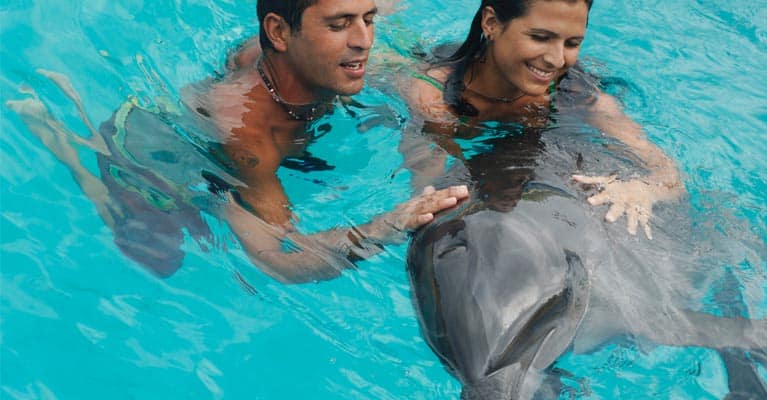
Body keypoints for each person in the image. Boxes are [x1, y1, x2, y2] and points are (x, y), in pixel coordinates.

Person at [9, 0, 469, 283]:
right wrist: (384, 227)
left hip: (267, 93)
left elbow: (411, 79)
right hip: (156, 155)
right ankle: (59, 135)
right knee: (154, 253)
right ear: (278, 33)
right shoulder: (250, 142)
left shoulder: (317, 54)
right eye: (340, 24)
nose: (364, 40)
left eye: (368, 19)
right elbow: (282, 258)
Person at [400, 0, 681, 239]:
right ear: (491, 23)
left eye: (572, 43)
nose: (557, 60)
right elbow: (429, 193)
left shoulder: (580, 96)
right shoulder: (435, 98)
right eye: (540, 37)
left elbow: (668, 175)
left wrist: (642, 189)